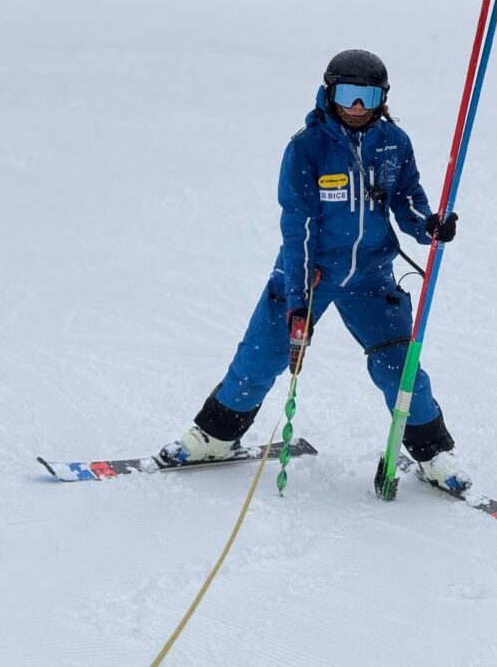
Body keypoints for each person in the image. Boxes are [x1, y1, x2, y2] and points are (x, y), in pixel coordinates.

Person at [159, 49, 470, 491]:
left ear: (382, 97)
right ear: (329, 92)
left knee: (400, 368)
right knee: (261, 357)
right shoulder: (307, 147)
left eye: (368, 96)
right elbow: (298, 226)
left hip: (371, 277)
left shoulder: (394, 143)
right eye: (347, 94)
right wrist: (299, 298)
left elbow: (408, 201)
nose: (357, 107)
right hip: (310, 272)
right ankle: (216, 435)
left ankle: (433, 453)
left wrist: (430, 225)